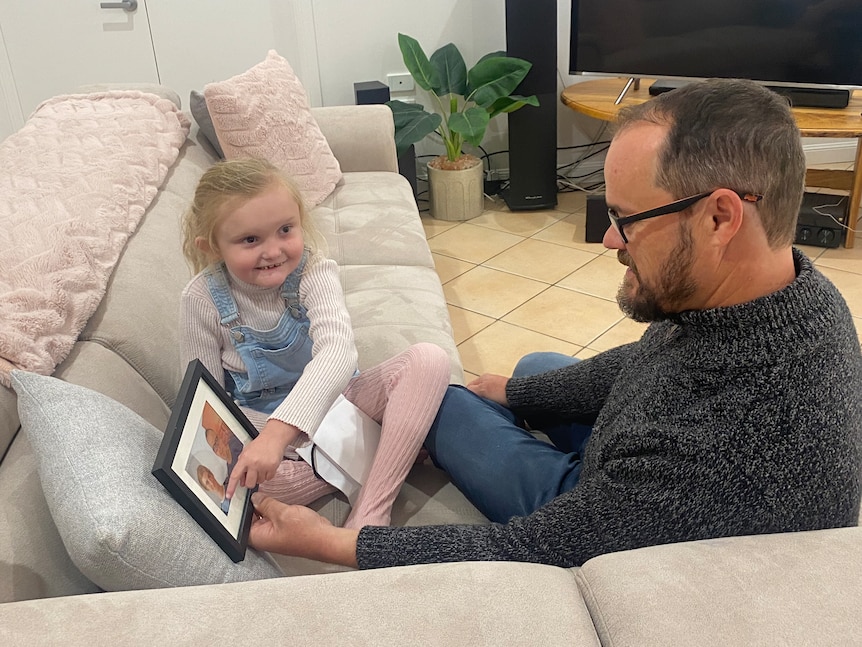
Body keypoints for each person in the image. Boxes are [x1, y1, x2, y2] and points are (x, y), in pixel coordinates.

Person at [246, 78, 862, 569]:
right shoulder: (794, 293)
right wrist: (515, 392)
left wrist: (334, 544)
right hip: (643, 470)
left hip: (610, 506)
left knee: (447, 406)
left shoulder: (712, 452)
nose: (608, 239)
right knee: (536, 371)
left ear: (721, 218)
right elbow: (654, 361)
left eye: (626, 218)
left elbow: (528, 551)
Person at [179, 158, 450, 529]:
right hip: (266, 430)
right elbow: (206, 402)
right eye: (250, 240)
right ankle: (389, 449)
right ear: (211, 247)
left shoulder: (312, 270)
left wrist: (281, 432)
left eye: (285, 229)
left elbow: (338, 352)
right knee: (247, 488)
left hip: (337, 403)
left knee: (429, 360)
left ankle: (370, 512)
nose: (273, 251)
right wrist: (270, 439)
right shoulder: (200, 299)